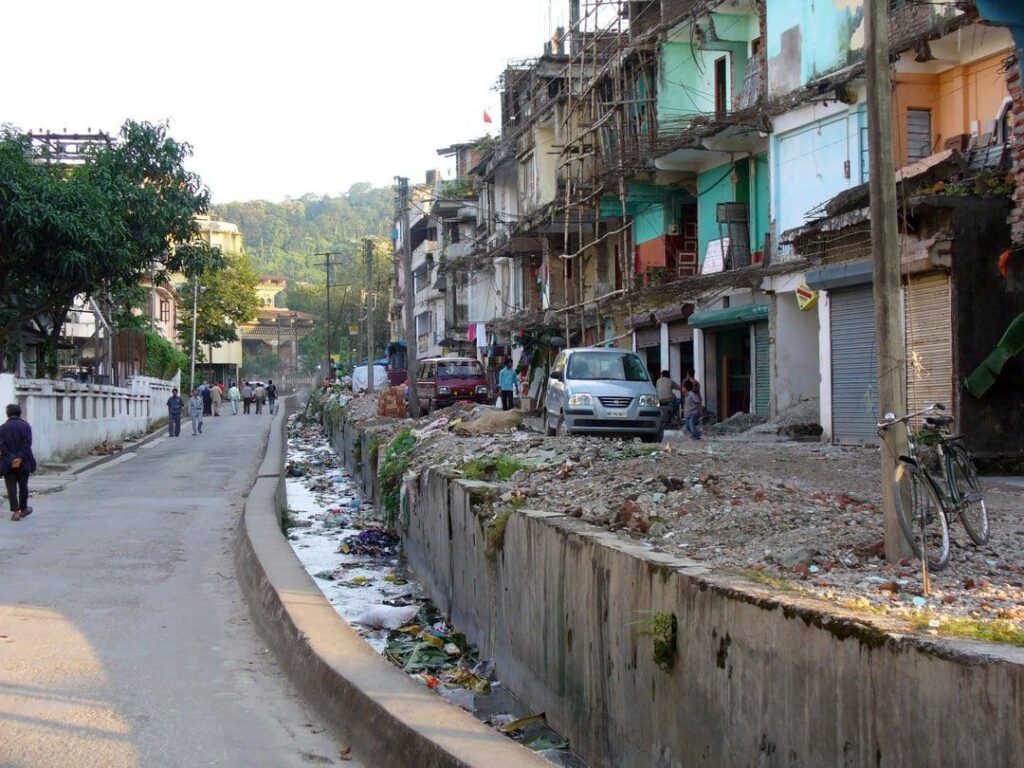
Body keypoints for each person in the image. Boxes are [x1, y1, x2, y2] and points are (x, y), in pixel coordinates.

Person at [0, 404, 36, 521]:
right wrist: (19, 458)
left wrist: (12, 459)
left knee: (11, 487)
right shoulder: (26, 426)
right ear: (20, 413)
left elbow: (2, 446)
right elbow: (27, 444)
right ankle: (23, 509)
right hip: (24, 461)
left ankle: (15, 512)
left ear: (8, 414)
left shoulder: (2, 428)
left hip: (8, 462)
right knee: (23, 486)